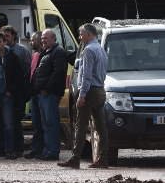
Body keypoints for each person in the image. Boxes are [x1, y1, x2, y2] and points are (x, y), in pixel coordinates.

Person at [59, 23, 109, 169]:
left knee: (80, 126)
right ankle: (103, 158)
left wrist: (82, 95)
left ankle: (75, 159)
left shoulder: (88, 50)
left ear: (88, 34)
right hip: (100, 89)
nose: (79, 37)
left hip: (90, 91)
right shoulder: (100, 49)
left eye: (81, 34)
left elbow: (86, 75)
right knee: (101, 127)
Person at [32, 29, 67, 160]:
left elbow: (58, 73)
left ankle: (52, 152)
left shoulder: (58, 52)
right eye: (42, 39)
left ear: (53, 38)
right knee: (45, 123)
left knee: (51, 123)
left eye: (46, 38)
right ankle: (47, 150)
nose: (43, 41)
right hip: (42, 93)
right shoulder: (46, 52)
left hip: (50, 94)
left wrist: (47, 88)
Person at [1, 25, 31, 156]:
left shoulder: (22, 51)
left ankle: (18, 148)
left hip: (18, 91)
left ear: (13, 36)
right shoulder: (0, 50)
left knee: (16, 121)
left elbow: (27, 70)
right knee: (4, 121)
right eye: (3, 36)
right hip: (3, 92)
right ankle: (5, 148)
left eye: (7, 35)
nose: (5, 38)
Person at [25, 31, 44, 159]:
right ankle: (36, 149)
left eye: (33, 40)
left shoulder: (43, 55)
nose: (31, 42)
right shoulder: (34, 54)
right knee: (36, 124)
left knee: (43, 124)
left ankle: (41, 149)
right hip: (34, 93)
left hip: (41, 93)